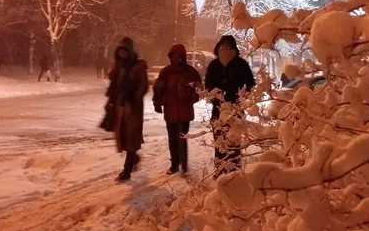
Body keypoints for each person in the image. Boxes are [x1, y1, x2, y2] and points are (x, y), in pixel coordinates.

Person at [205, 35, 256, 174]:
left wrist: (240, 99)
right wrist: (216, 98)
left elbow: (250, 84)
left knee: (234, 141)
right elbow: (208, 85)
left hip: (235, 110)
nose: (224, 48)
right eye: (222, 45)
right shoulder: (214, 65)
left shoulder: (241, 64)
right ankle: (220, 169)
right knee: (219, 140)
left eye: (228, 46)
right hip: (218, 110)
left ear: (233, 48)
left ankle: (234, 171)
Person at [153, 44, 203, 175]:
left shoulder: (191, 72)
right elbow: (158, 88)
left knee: (181, 139)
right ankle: (174, 164)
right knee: (172, 139)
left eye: (178, 56)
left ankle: (184, 164)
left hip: (184, 111)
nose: (176, 59)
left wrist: (193, 97)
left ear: (183, 57)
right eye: (174, 56)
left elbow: (199, 89)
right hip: (170, 110)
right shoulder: (166, 72)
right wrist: (157, 102)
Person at [105, 37, 149, 182]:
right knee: (122, 138)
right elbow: (113, 87)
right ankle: (134, 157)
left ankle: (127, 171)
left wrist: (134, 98)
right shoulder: (118, 67)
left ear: (130, 52)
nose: (122, 54)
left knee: (131, 139)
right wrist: (111, 101)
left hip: (133, 108)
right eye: (120, 51)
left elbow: (144, 86)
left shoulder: (138, 66)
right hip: (120, 106)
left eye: (125, 51)